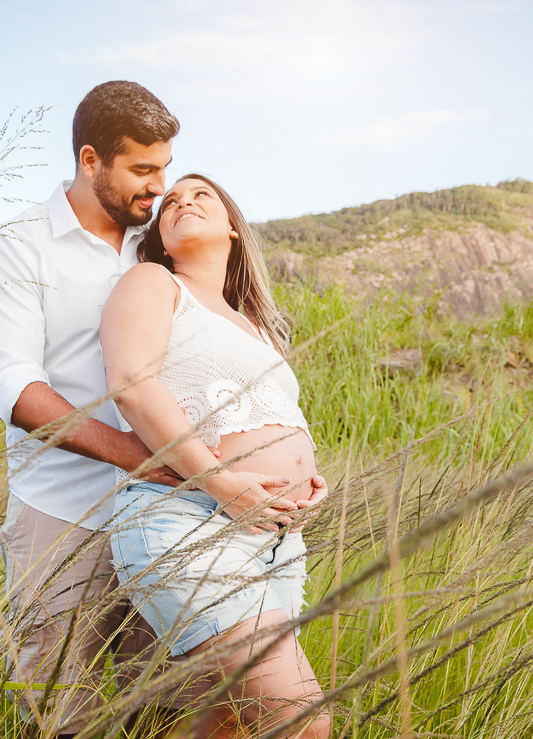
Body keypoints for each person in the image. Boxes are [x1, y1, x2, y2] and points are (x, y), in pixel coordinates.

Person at [0, 83, 326, 737]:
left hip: (187, 510)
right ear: (90, 161)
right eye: (143, 170)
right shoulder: (22, 246)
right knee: (63, 712)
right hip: (66, 510)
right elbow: (17, 390)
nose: (160, 187)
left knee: (172, 711)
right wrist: (151, 456)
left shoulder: (157, 247)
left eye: (165, 168)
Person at [101, 174, 332, 739]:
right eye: (171, 203)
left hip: (274, 539)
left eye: (200, 195)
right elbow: (131, 383)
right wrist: (222, 483)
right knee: (302, 721)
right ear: (159, 237)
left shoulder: (257, 325)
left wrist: (306, 479)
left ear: (232, 227)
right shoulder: (153, 281)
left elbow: (271, 414)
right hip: (189, 519)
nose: (183, 202)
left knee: (228, 722)